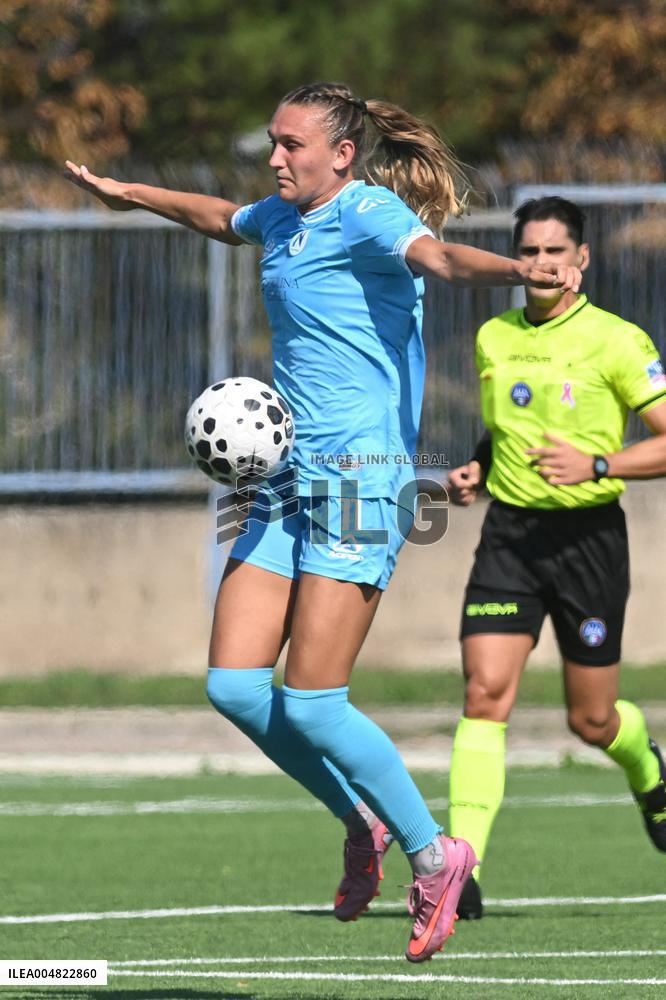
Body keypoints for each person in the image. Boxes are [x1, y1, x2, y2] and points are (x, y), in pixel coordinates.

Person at [65, 84, 580, 962]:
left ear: (341, 154)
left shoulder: (369, 211)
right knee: (233, 686)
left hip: (360, 482)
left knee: (311, 700)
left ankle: (436, 854)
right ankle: (363, 824)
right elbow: (221, 215)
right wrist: (131, 194)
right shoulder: (281, 217)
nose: (275, 157)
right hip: (286, 479)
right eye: (272, 142)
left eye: (291, 144)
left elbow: (441, 261)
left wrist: (516, 271)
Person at [446, 195, 666, 921]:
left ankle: (648, 767)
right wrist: (478, 466)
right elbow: (505, 430)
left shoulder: (617, 341)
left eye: (554, 251)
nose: (541, 263)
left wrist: (599, 464)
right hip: (510, 539)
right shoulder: (493, 338)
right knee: (485, 694)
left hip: (588, 544)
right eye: (529, 251)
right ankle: (460, 867)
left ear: (582, 260)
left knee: (592, 722)